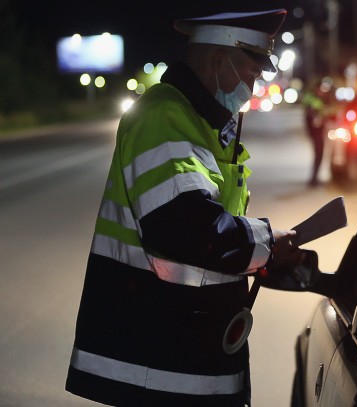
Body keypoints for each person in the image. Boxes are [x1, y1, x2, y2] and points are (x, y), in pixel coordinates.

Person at [66, 9, 302, 406]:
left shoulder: (203, 121)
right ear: (218, 60)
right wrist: (265, 239)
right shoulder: (165, 115)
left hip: (187, 353)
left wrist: (263, 256)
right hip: (157, 361)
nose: (255, 82)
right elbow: (181, 226)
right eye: (251, 69)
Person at [302, 79, 334, 187]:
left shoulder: (323, 99)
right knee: (319, 153)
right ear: (316, 89)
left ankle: (315, 178)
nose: (323, 92)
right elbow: (310, 114)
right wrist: (317, 118)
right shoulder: (311, 99)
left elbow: (328, 112)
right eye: (322, 89)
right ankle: (314, 179)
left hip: (321, 131)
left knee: (320, 153)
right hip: (315, 131)